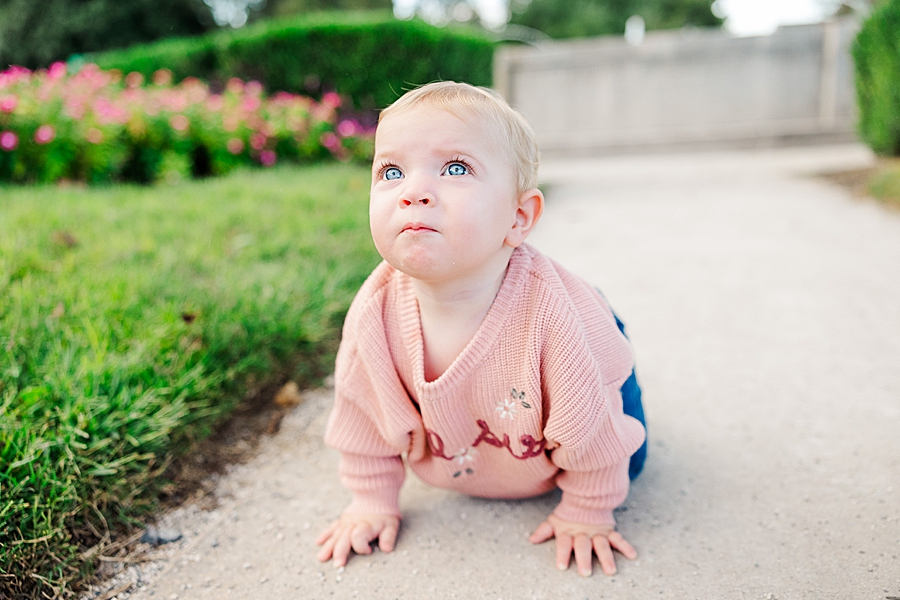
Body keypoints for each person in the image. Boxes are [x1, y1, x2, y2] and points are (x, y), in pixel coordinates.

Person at [315, 81, 647, 577]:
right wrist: (371, 501)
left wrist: (588, 509)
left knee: (630, 454)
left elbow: (594, 433)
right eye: (391, 171)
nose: (414, 192)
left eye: (455, 168)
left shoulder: (556, 321)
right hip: (483, 439)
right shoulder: (375, 314)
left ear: (518, 218)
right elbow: (363, 416)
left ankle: (607, 321)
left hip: (580, 356)